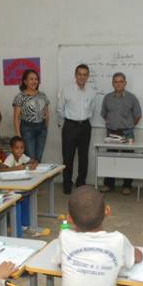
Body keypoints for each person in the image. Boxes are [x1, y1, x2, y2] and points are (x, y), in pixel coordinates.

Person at [99, 73, 142, 195]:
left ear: (125, 83)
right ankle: (109, 184)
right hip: (111, 133)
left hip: (127, 133)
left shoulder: (132, 98)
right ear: (112, 83)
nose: (118, 84)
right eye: (116, 81)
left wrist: (129, 126)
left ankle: (127, 185)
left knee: (128, 160)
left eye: (121, 81)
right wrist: (112, 123)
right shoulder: (107, 98)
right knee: (111, 159)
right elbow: (104, 114)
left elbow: (138, 115)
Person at [58, 64, 97, 194]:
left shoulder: (92, 91)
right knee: (68, 157)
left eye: (85, 74)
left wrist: (83, 119)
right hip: (70, 126)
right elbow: (60, 109)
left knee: (83, 157)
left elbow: (92, 109)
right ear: (75, 75)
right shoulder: (66, 90)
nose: (82, 77)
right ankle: (67, 185)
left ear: (88, 76)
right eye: (79, 74)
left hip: (85, 126)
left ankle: (81, 184)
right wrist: (70, 121)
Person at [13, 69, 50, 162]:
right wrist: (18, 134)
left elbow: (46, 112)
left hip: (41, 129)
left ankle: (39, 176)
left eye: (36, 79)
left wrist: (45, 127)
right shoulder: (20, 96)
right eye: (31, 79)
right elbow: (16, 117)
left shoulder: (42, 95)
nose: (34, 81)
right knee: (30, 159)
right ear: (25, 81)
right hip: (27, 129)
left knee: (38, 158)